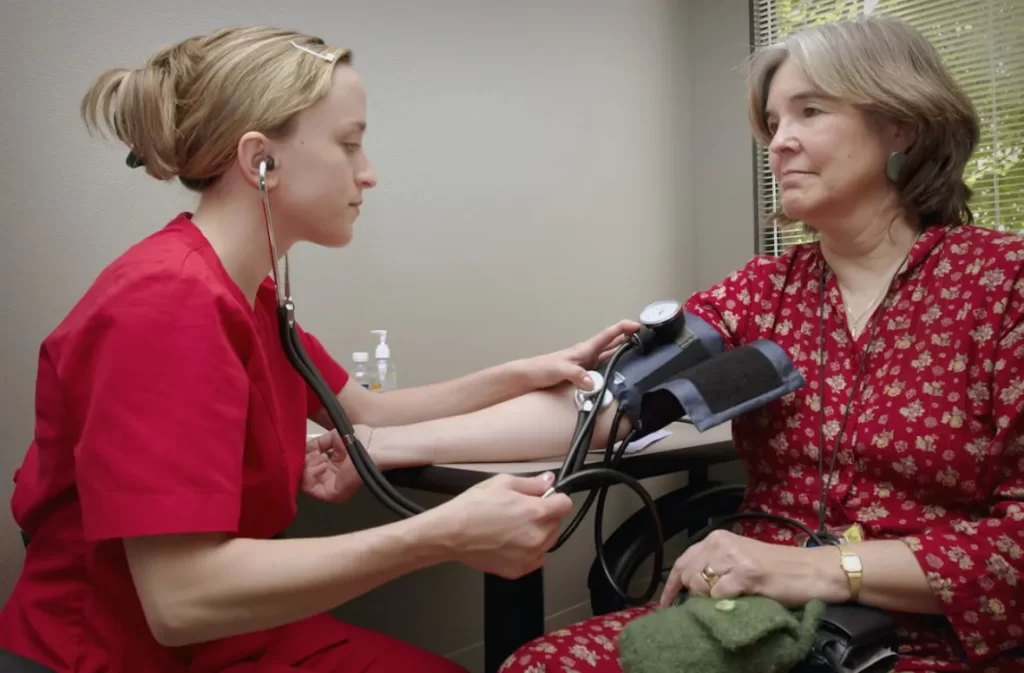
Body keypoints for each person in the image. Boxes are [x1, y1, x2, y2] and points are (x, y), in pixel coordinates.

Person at [0, 27, 644, 673]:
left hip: (233, 637)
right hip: (118, 654)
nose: (369, 173)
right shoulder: (167, 301)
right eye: (348, 144)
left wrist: (525, 370)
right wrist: (441, 534)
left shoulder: (241, 292)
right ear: (261, 161)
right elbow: (179, 599)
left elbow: (369, 411)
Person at [499, 14, 1024, 673]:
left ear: (902, 125)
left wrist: (817, 568)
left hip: (931, 639)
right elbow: (609, 407)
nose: (779, 143)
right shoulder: (764, 292)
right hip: (749, 621)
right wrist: (382, 443)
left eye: (809, 111)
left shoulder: (1002, 284)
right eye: (773, 124)